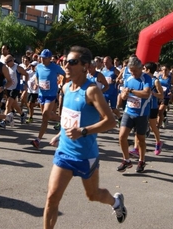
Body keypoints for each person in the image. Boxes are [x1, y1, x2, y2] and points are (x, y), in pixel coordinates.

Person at [43, 46, 126, 228]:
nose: (67, 65)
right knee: (51, 198)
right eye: (66, 61)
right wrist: (60, 133)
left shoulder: (91, 91)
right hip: (64, 152)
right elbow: (69, 117)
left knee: (93, 195)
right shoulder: (65, 88)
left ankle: (116, 202)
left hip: (85, 155)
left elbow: (111, 121)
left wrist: (83, 131)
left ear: (85, 66)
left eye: (72, 62)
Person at [117, 56, 152, 173]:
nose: (133, 73)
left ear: (140, 68)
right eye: (131, 70)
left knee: (141, 139)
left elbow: (146, 94)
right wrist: (124, 95)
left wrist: (131, 91)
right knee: (122, 137)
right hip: (128, 112)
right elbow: (122, 95)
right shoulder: (127, 78)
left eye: (135, 71)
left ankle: (141, 160)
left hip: (141, 114)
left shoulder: (146, 78)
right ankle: (126, 160)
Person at [31, 49, 65, 149]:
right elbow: (37, 76)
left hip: (51, 95)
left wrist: (63, 83)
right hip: (41, 94)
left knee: (46, 113)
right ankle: (38, 140)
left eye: (45, 58)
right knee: (45, 118)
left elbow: (65, 75)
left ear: (50, 58)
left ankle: (38, 140)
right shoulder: (39, 67)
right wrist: (36, 83)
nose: (42, 59)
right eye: (41, 57)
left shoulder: (55, 67)